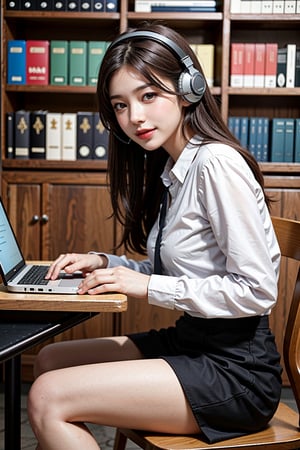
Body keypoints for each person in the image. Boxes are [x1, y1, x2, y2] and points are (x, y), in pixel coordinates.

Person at [27, 23, 282, 450]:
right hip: (192, 341)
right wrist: (108, 264)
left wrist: (146, 285)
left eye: (148, 96)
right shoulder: (175, 170)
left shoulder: (215, 164)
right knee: (50, 359)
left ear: (189, 88)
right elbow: (179, 270)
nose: (135, 118)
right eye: (120, 105)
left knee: (48, 397)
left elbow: (257, 291)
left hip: (237, 369)